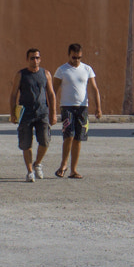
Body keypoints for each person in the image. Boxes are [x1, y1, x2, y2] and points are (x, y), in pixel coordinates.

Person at [54, 43, 100, 178]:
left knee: (78, 138)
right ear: (69, 55)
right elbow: (53, 90)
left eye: (79, 57)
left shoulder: (87, 69)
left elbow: (94, 88)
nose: (76, 60)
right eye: (74, 57)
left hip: (82, 107)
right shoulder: (62, 70)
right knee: (69, 136)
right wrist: (51, 108)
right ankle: (63, 164)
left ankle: (74, 169)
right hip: (67, 106)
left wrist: (98, 107)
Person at [12, 48, 57, 181]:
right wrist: (12, 113)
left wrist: (53, 113)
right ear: (27, 60)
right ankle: (30, 171)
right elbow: (13, 94)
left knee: (45, 141)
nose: (35, 60)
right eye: (32, 58)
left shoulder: (46, 74)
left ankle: (37, 163)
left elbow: (51, 94)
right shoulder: (21, 74)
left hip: (42, 112)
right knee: (26, 144)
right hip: (25, 113)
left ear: (40, 59)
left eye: (37, 58)